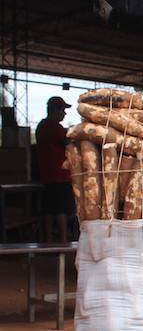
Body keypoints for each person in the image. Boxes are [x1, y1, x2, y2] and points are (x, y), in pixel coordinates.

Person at [36, 96, 74, 242]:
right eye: (63, 110)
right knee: (62, 209)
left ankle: (48, 240)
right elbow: (68, 142)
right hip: (60, 174)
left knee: (49, 208)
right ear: (55, 110)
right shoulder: (54, 126)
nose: (64, 114)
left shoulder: (41, 126)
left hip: (47, 175)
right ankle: (64, 241)